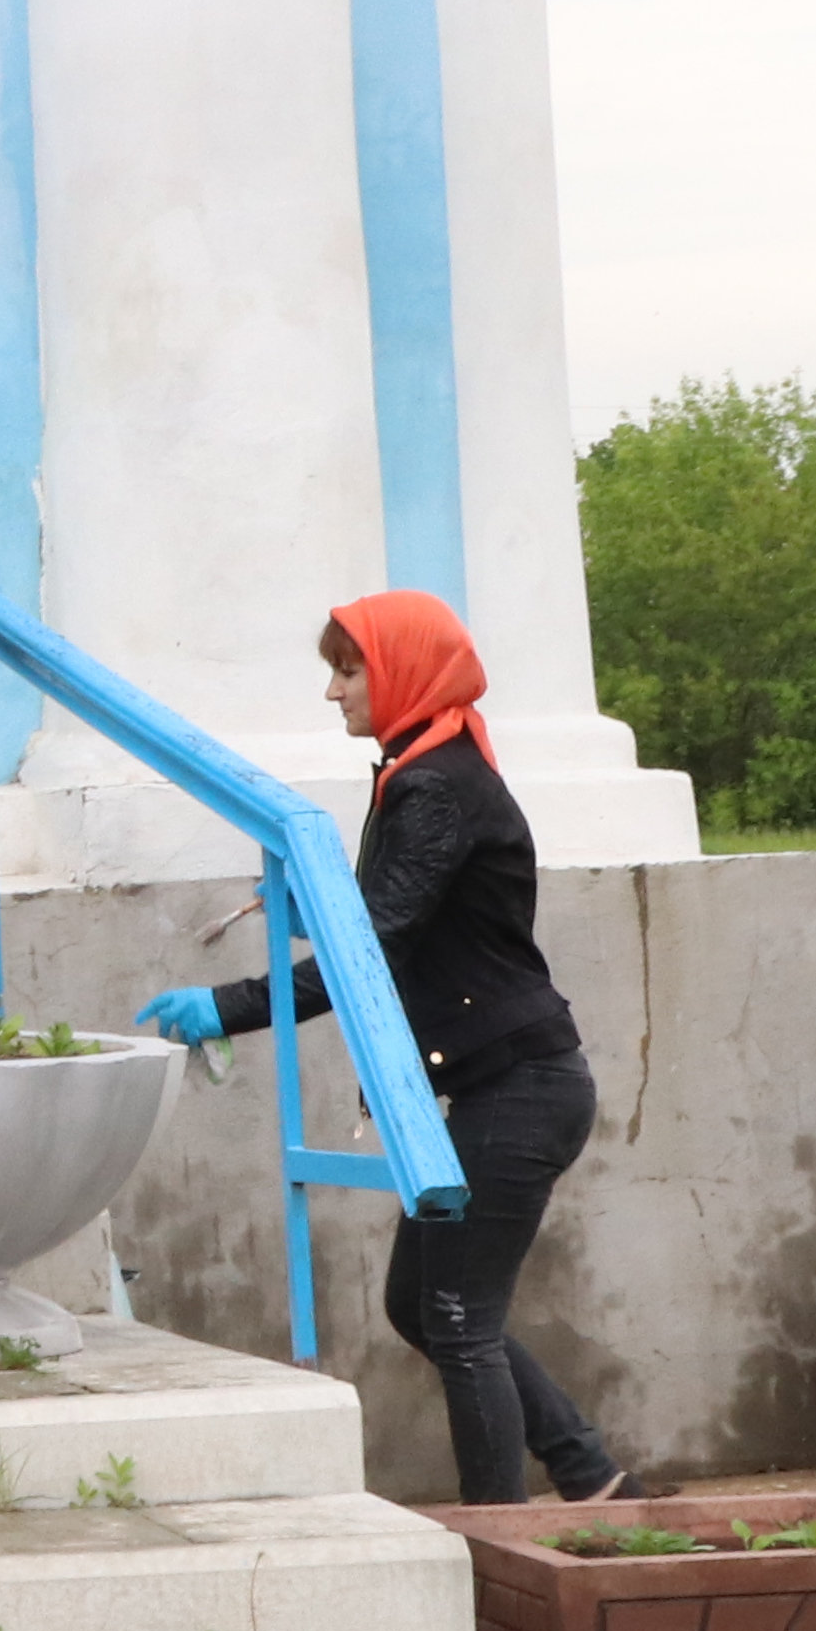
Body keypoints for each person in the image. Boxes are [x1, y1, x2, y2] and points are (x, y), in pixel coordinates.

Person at [137, 596, 646, 1507]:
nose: (332, 692)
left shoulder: (435, 785)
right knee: (423, 1304)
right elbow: (390, 928)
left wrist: (229, 1006)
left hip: (520, 1089)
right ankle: (589, 1473)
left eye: (348, 670)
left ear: (403, 672)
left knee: (457, 1320)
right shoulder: (419, 770)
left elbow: (366, 954)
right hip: (501, 1084)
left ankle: (502, 1547)